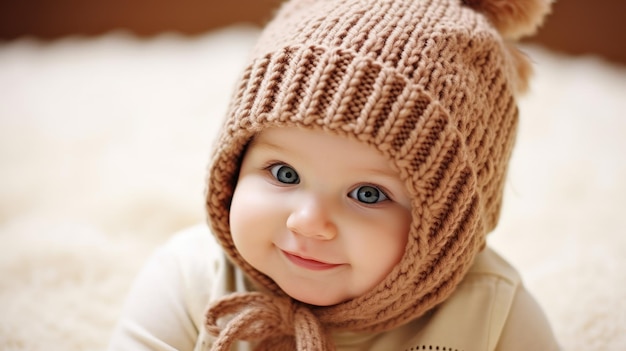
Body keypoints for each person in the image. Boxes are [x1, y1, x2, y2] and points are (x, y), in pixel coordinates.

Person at [108, 0, 561, 350]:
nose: (307, 222)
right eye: (284, 173)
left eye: (367, 194)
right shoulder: (190, 279)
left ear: (448, 228)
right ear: (232, 165)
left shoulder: (492, 313)